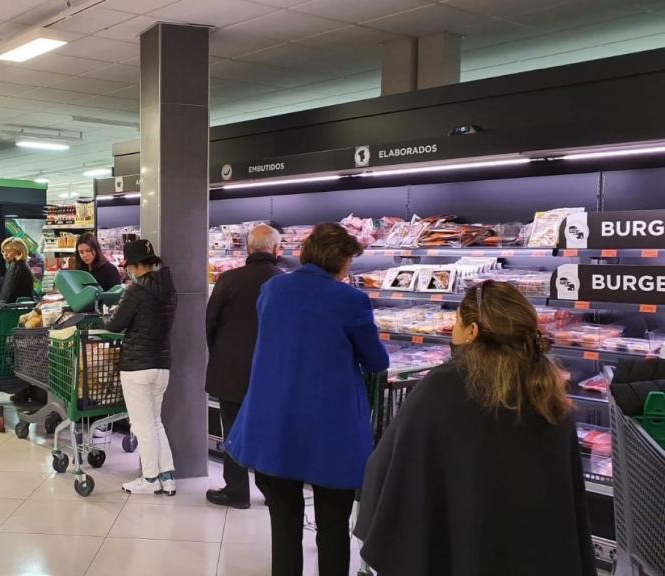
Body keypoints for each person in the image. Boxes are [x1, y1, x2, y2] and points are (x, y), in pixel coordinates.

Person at [354, 281, 596, 576]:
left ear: (473, 331)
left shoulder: (443, 386)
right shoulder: (547, 390)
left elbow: (391, 468)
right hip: (536, 553)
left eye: (456, 321)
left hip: (462, 548)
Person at [227, 223, 389, 576]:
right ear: (342, 260)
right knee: (332, 528)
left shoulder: (273, 289)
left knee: (284, 526)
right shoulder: (351, 300)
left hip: (274, 424)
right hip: (331, 432)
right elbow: (376, 360)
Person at [204, 224, 284, 510]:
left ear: (248, 249)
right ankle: (272, 490)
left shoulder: (228, 280)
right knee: (267, 430)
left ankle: (237, 491)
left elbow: (210, 323)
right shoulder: (284, 282)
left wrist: (221, 353)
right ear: (276, 250)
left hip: (231, 370)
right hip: (271, 374)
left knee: (234, 431)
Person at [105, 239, 178, 496]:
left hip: (136, 366)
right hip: (161, 365)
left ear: (135, 266)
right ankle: (167, 477)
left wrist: (106, 314)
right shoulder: (169, 289)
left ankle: (149, 479)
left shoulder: (136, 291)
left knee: (142, 425)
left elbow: (115, 325)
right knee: (156, 422)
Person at [0, 237, 35, 304]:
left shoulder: (15, 267)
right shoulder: (22, 265)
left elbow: (7, 294)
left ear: (19, 252)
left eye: (8, 251)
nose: (5, 254)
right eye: (3, 251)